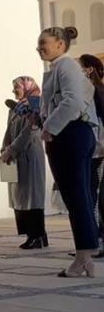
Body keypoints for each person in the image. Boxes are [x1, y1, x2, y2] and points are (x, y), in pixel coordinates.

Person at [38, 26, 98, 277]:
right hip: (73, 134)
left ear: (61, 44)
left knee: (77, 198)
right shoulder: (61, 67)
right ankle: (86, 256)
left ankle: (83, 257)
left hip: (69, 135)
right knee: (78, 197)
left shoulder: (65, 66)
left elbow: (72, 101)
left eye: (44, 43)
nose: (40, 47)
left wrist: (50, 127)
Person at [0, 76, 48, 249]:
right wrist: (4, 149)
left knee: (32, 197)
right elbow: (9, 130)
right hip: (16, 156)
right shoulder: (15, 107)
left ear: (26, 87)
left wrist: (11, 149)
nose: (14, 91)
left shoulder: (35, 105)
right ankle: (32, 235)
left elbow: (30, 132)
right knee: (20, 198)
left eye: (17, 87)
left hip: (30, 156)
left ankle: (38, 236)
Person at [78, 54, 104, 258]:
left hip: (99, 148)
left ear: (88, 70)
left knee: (96, 197)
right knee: (90, 194)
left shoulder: (95, 91)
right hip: (93, 147)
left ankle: (96, 240)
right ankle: (92, 241)